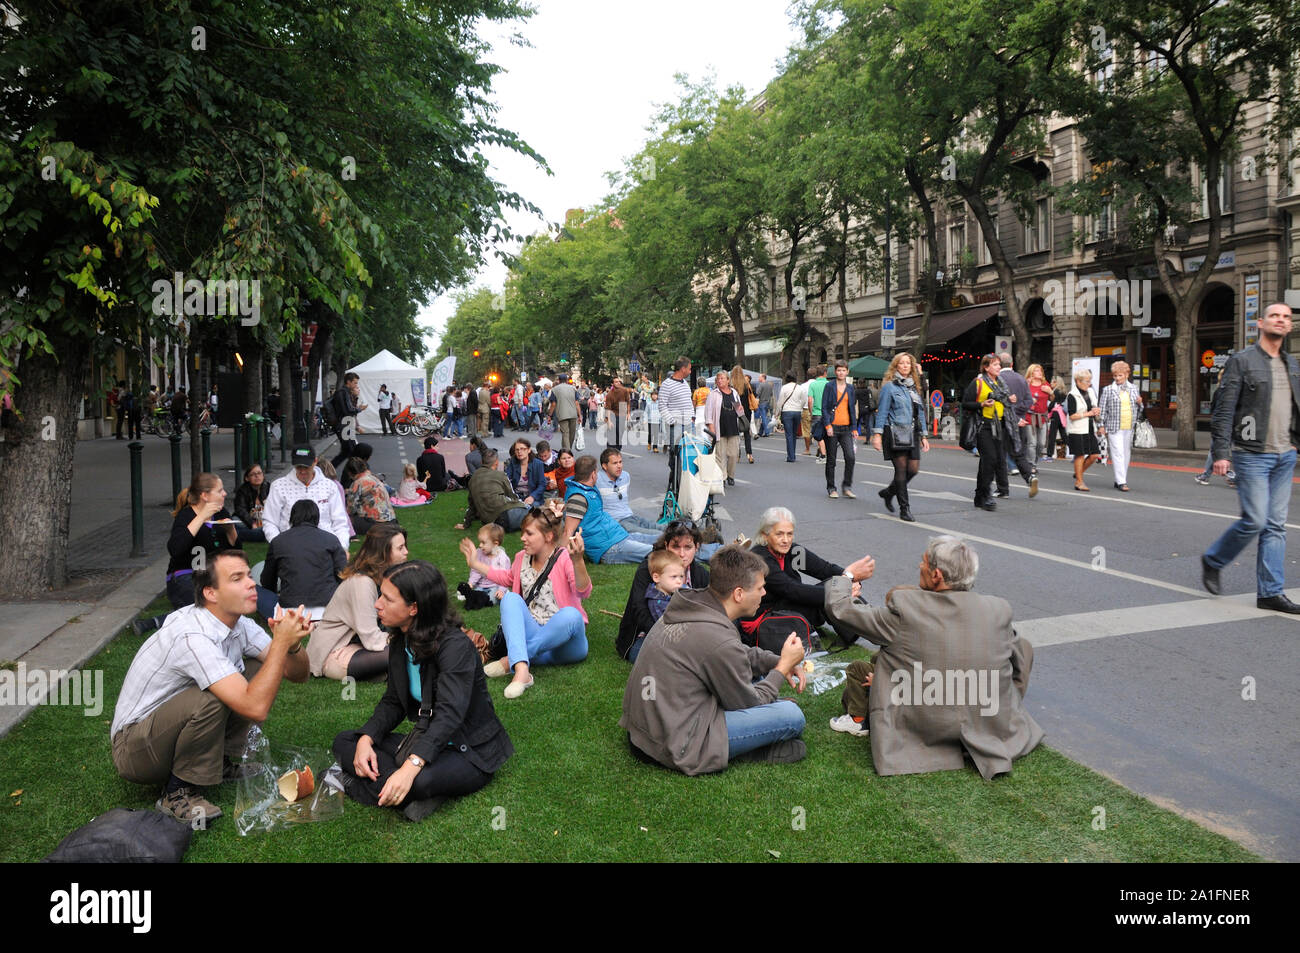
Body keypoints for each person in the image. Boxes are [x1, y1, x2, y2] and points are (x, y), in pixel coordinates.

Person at [111, 550, 311, 825]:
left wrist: (292, 644)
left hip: (163, 730)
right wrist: (279, 644)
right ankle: (176, 792)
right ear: (211, 593)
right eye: (237, 578)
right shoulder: (192, 635)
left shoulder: (239, 624)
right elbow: (256, 707)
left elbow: (298, 674)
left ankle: (219, 764)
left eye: (249, 577)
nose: (251, 583)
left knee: (256, 669)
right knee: (212, 698)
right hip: (134, 750)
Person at [823, 535, 1045, 778]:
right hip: (992, 722)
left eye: (923, 562)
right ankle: (1004, 712)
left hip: (924, 727)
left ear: (936, 575)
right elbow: (1020, 655)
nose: (919, 566)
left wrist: (848, 576)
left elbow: (840, 609)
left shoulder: (906, 606)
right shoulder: (998, 609)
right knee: (1021, 644)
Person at [332, 561, 513, 822]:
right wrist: (366, 740)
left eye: (387, 598)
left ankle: (363, 784)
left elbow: (449, 715)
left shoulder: (455, 647)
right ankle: (407, 794)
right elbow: (394, 701)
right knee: (346, 741)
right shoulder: (401, 639)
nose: (377, 604)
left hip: (469, 750)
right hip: (425, 738)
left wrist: (410, 767)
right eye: (380, 594)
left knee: (419, 781)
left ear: (414, 608)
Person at [620, 545, 810, 774]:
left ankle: (745, 745)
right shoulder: (717, 638)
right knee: (792, 717)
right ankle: (743, 750)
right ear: (739, 594)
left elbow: (736, 653)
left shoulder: (693, 604)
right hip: (676, 743)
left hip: (645, 733)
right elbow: (750, 702)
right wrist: (782, 668)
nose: (763, 593)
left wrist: (774, 661)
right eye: (760, 588)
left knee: (764, 685)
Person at [1202, 302, 1300, 612]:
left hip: (1285, 454)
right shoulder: (1242, 362)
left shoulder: (1293, 364)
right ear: (1261, 322)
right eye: (1275, 315)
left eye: (1286, 317)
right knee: (1256, 520)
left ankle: (1270, 593)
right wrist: (1221, 453)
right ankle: (1214, 560)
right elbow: (1224, 409)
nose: (1281, 320)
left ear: (1290, 325)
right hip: (1251, 454)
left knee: (1275, 525)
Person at [459, 507, 591, 699]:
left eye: (529, 533)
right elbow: (506, 578)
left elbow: (584, 591)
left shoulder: (564, 558)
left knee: (571, 615)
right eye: (522, 532)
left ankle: (510, 660)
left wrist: (578, 560)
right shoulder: (521, 558)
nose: (522, 538)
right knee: (510, 598)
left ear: (548, 536)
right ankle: (522, 671)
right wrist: (475, 564)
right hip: (535, 631)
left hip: (566, 642)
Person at [743, 506, 875, 640]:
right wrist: (844, 585)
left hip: (785, 605)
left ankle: (872, 626)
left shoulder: (792, 551)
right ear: (765, 535)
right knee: (830, 592)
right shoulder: (760, 557)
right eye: (779, 534)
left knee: (833, 585)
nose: (786, 540)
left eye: (789, 534)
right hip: (764, 617)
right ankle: (869, 629)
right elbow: (791, 589)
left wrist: (850, 578)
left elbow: (824, 569)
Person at [311, 523, 409, 680]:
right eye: (400, 548)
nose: (406, 552)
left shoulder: (386, 578)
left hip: (359, 645)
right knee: (410, 649)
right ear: (383, 552)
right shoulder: (362, 582)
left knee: (412, 649)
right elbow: (371, 637)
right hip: (334, 651)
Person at [616, 520, 712, 661]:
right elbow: (639, 611)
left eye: (688, 547)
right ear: (666, 546)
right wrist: (672, 636)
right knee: (680, 660)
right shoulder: (649, 569)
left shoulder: (701, 575)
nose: (681, 553)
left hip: (689, 636)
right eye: (676, 546)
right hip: (648, 636)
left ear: (696, 547)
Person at [962, 354, 1039, 510]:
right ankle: (987, 496)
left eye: (998, 364)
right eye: (995, 364)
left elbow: (1006, 407)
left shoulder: (1001, 383)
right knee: (990, 460)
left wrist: (1010, 402)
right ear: (986, 367)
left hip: (1001, 427)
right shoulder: (978, 382)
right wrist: (981, 404)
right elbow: (965, 404)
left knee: (991, 462)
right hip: (984, 426)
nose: (998, 367)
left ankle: (979, 495)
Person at [562, 454, 659, 564]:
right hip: (608, 548)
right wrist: (558, 563)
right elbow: (568, 532)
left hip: (619, 536)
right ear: (593, 474)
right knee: (657, 552)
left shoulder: (588, 490)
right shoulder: (578, 498)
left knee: (662, 539)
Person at [262, 499, 347, 618]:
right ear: (317, 518)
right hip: (327, 606)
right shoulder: (331, 539)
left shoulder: (278, 541)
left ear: (292, 517)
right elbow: (343, 575)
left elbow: (267, 580)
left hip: (289, 608)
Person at [871, 353, 930, 521]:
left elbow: (919, 413)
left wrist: (924, 436)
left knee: (913, 470)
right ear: (896, 366)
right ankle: (905, 509)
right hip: (894, 431)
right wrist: (877, 435)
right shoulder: (889, 387)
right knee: (901, 470)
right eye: (901, 363)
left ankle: (889, 492)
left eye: (908, 363)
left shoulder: (913, 388)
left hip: (912, 432)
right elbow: (882, 412)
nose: (905, 366)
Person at [262, 446, 353, 549]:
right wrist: (279, 545)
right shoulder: (278, 486)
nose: (302, 471)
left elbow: (340, 522)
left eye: (306, 467)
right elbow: (270, 521)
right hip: (290, 546)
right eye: (298, 466)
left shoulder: (329, 486)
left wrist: (341, 547)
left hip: (325, 546)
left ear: (315, 461)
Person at [455, 447, 528, 532]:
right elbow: (513, 496)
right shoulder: (501, 475)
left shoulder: (473, 478)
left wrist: (466, 524)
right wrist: (524, 505)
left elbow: (472, 504)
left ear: (482, 462)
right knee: (536, 514)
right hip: (506, 516)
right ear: (496, 462)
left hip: (490, 523)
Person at [1099, 360, 1143, 491]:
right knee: (1118, 453)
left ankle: (1120, 478)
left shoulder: (1134, 388)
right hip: (1114, 426)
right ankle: (1121, 481)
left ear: (1126, 375)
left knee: (1126, 454)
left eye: (1120, 375)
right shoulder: (1108, 390)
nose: (1117, 378)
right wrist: (1101, 426)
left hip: (1129, 426)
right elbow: (1102, 409)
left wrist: (1140, 403)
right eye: (1115, 376)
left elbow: (1140, 410)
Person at [820, 359, 860, 499]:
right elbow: (824, 407)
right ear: (835, 371)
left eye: (843, 370)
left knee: (850, 457)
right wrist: (828, 425)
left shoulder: (850, 388)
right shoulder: (829, 386)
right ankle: (831, 488)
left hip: (846, 429)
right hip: (832, 428)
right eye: (838, 370)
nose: (841, 372)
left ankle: (847, 486)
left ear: (847, 371)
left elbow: (852, 409)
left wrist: (854, 427)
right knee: (831, 460)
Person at [596, 447, 658, 532]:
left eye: (620, 462)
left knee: (662, 527)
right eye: (615, 463)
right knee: (655, 534)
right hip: (617, 522)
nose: (619, 466)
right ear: (605, 466)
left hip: (630, 516)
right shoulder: (596, 480)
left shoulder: (625, 476)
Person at [1194, 367, 1237, 487]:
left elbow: (1215, 409)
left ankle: (1206, 476)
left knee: (1215, 450)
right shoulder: (1237, 391)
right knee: (1235, 450)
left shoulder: (1221, 391)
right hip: (1235, 425)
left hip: (1223, 425)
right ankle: (1233, 477)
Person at [1065, 368, 1103, 492]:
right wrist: (1088, 413)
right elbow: (1072, 416)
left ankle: (1078, 473)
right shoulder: (1072, 395)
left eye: (1090, 381)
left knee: (1094, 455)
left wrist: (1096, 412)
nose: (1089, 383)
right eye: (1087, 381)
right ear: (1078, 381)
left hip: (1089, 427)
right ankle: (1079, 482)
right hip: (1077, 429)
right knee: (1080, 455)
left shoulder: (1090, 392)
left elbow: (1093, 408)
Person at [703, 369, 743, 487]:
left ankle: (731, 475)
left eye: (722, 378)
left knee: (733, 454)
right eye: (718, 379)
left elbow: (738, 409)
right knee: (720, 455)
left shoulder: (734, 393)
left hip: (733, 427)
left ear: (728, 380)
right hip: (719, 427)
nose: (720, 381)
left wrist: (742, 413)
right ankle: (723, 477)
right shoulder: (714, 394)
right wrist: (711, 427)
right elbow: (708, 412)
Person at [458, 523, 510, 609]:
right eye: (480, 542)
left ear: (495, 544)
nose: (480, 545)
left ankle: (504, 593)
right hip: (481, 585)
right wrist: (471, 583)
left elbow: (505, 577)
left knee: (493, 599)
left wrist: (501, 590)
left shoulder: (502, 557)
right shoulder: (479, 553)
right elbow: (475, 570)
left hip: (495, 585)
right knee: (473, 596)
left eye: (483, 542)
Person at [345, 455, 398, 537]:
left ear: (350, 472)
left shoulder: (357, 483)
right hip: (392, 521)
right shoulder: (374, 478)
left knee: (347, 520)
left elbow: (351, 509)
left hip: (375, 524)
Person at [330, 372, 367, 468]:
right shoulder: (343, 393)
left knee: (346, 452)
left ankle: (327, 471)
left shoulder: (345, 392)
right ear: (348, 382)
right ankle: (352, 475)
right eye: (355, 383)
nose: (356, 385)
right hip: (344, 426)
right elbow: (347, 410)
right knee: (352, 454)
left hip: (345, 426)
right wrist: (359, 409)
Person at [658, 356, 695, 448]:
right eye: (689, 369)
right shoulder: (667, 384)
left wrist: (692, 417)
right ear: (683, 369)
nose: (690, 372)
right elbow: (662, 405)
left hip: (688, 423)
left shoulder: (685, 383)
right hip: (676, 424)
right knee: (676, 453)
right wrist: (672, 421)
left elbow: (688, 401)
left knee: (689, 451)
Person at [643, 548, 687, 626]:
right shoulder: (657, 603)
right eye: (674, 576)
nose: (679, 581)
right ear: (657, 578)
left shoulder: (671, 590)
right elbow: (669, 627)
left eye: (681, 576)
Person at [231, 463, 270, 544]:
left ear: (263, 475)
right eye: (253, 474)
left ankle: (238, 534)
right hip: (249, 520)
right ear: (247, 478)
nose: (257, 476)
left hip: (266, 520)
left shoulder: (269, 487)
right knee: (234, 521)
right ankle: (261, 534)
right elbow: (240, 510)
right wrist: (252, 523)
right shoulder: (242, 490)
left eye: (259, 473)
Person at [1023, 364, 1053, 463]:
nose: (1040, 372)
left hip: (1042, 418)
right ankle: (1031, 465)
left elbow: (1052, 399)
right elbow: (1020, 399)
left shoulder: (1045, 384)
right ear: (1031, 372)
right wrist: (1029, 401)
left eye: (1040, 370)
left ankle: (1033, 460)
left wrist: (1051, 392)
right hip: (1029, 417)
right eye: (1036, 370)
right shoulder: (1027, 384)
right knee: (1032, 443)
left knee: (1041, 443)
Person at [504, 437, 546, 507]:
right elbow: (506, 480)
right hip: (516, 496)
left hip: (532, 497)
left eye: (522, 449)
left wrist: (532, 497)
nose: (519, 452)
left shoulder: (538, 464)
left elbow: (542, 484)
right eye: (517, 450)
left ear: (529, 450)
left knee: (532, 508)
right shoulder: (512, 462)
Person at [777, 373, 806, 463]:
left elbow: (780, 401)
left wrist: (777, 412)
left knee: (789, 434)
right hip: (797, 411)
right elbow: (804, 400)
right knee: (794, 434)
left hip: (787, 411)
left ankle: (791, 456)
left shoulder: (784, 387)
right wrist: (799, 407)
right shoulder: (800, 387)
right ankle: (793, 454)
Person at [730, 365, 756, 464]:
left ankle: (738, 455)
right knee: (746, 433)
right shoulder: (747, 384)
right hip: (747, 411)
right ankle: (749, 454)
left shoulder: (732, 385)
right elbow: (751, 395)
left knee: (736, 434)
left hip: (735, 410)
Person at [549, 377, 580, 452]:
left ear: (559, 380)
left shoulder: (554, 389)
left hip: (562, 414)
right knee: (572, 433)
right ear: (566, 380)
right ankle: (568, 449)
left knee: (565, 433)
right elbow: (576, 403)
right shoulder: (573, 388)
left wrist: (549, 415)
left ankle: (567, 450)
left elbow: (553, 404)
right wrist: (579, 415)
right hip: (573, 414)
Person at [807, 364, 829, 460]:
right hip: (828, 413)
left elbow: (810, 400)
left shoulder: (813, 384)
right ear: (825, 373)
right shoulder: (829, 384)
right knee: (827, 433)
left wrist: (811, 412)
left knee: (818, 434)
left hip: (817, 412)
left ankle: (823, 454)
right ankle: (823, 450)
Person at [605, 376, 631, 450]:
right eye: (616, 382)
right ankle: (610, 449)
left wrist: (628, 414)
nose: (618, 383)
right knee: (612, 432)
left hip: (622, 412)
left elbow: (628, 402)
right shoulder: (610, 394)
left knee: (620, 433)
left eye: (619, 381)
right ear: (612, 384)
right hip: (613, 414)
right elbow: (608, 409)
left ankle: (618, 449)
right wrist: (609, 421)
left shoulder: (625, 391)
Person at [754, 373, 774, 437]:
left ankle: (767, 432)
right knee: (764, 417)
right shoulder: (769, 385)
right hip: (767, 403)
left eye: (759, 377)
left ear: (763, 377)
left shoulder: (761, 385)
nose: (758, 378)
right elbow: (771, 394)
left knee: (763, 418)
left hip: (762, 403)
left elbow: (757, 393)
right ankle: (760, 432)